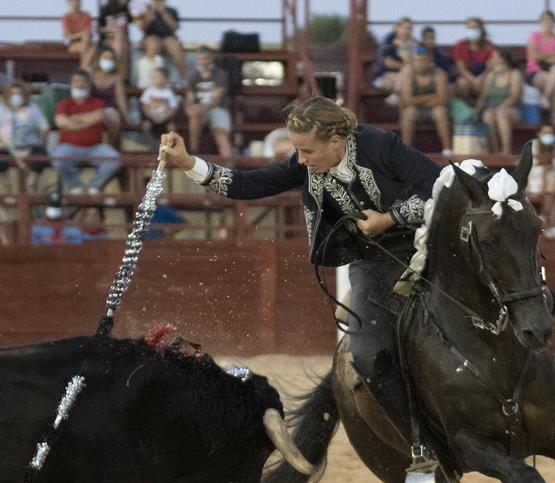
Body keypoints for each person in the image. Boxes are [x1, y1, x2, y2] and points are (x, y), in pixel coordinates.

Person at [159, 96, 441, 449]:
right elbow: (247, 185)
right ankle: (421, 444)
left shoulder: (381, 145)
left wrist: (390, 218)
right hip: (374, 261)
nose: (301, 160)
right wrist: (188, 163)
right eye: (298, 151)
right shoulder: (304, 164)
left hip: (428, 246)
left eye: (307, 151)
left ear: (336, 142)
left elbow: (440, 187)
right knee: (368, 356)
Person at [53, 70, 123, 194]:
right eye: (76, 81)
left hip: (95, 147)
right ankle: (76, 186)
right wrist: (87, 120)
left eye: (83, 82)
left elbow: (98, 117)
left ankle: (94, 187)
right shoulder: (64, 104)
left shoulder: (97, 102)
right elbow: (61, 123)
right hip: (69, 147)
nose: (80, 84)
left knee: (114, 160)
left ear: (89, 85)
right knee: (58, 158)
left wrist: (74, 120)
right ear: (71, 84)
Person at [0, 81, 50, 194]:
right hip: (6, 146)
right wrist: (5, 145)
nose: (16, 96)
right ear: (7, 95)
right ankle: (7, 187)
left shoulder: (32, 108)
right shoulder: (0, 109)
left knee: (41, 153)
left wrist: (40, 141)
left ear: (25, 95)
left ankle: (31, 182)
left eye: (19, 93)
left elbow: (44, 126)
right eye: (13, 93)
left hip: (30, 145)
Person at [398, 47, 452, 156]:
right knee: (409, 112)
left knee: (440, 111)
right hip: (415, 110)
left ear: (429, 61)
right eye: (416, 60)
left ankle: (447, 149)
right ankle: (405, 149)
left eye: (423, 60)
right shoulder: (408, 74)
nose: (419, 63)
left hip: (433, 109)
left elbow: (442, 99)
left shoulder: (439, 74)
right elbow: (407, 100)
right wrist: (431, 97)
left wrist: (417, 100)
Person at [185, 47, 233, 157]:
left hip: (218, 108)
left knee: (221, 134)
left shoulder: (220, 74)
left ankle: (228, 164)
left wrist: (197, 109)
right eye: (201, 59)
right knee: (194, 115)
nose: (203, 61)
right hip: (199, 111)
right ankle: (194, 152)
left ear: (211, 59)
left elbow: (215, 100)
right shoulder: (192, 76)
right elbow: (190, 98)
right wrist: (190, 108)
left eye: (206, 58)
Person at [476, 49, 523, 156]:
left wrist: (501, 107)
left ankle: (506, 149)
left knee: (500, 114)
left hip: (512, 110)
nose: (491, 60)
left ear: (502, 59)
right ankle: (494, 150)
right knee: (488, 115)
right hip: (492, 109)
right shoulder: (492, 74)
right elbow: (483, 95)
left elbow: (514, 95)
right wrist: (477, 111)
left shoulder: (515, 73)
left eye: (494, 57)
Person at [526, 10, 555, 125]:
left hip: (552, 72)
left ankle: (545, 97)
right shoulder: (534, 36)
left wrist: (543, 56)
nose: (547, 23)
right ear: (540, 22)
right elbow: (534, 55)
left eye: (550, 21)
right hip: (535, 72)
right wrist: (552, 54)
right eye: (544, 21)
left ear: (554, 23)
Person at [528, 124, 555, 237]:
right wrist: (544, 169)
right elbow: (530, 167)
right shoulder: (532, 145)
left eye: (551, 133)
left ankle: (546, 220)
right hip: (533, 182)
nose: (548, 135)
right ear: (539, 134)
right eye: (545, 133)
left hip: (550, 181)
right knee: (554, 186)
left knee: (554, 183)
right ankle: (549, 224)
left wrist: (547, 171)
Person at [87, 47, 129, 146]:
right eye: (105, 57)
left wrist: (125, 115)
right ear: (99, 59)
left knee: (113, 118)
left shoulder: (116, 78)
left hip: (109, 109)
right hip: (91, 108)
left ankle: (108, 145)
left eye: (110, 58)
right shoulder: (91, 74)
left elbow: (120, 98)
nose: (107, 60)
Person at [135, 0, 187, 79]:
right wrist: (150, 13)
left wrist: (164, 13)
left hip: (168, 37)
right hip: (150, 37)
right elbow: (142, 27)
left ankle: (185, 78)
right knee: (153, 43)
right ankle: (149, 78)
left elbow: (175, 27)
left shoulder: (172, 10)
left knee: (174, 45)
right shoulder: (145, 10)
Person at [371, 17, 417, 101]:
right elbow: (388, 63)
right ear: (397, 28)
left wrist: (403, 47)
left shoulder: (414, 43)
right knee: (406, 81)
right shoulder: (387, 43)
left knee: (407, 82)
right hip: (384, 76)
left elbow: (416, 62)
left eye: (410, 29)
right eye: (406, 28)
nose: (408, 31)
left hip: (408, 76)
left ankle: (396, 96)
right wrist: (406, 65)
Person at [452, 17, 494, 101]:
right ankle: (468, 105)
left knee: (487, 83)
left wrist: (480, 78)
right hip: (467, 76)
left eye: (474, 28)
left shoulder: (489, 45)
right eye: (469, 28)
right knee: (462, 83)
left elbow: (490, 67)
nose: (471, 30)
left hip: (484, 76)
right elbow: (461, 68)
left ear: (481, 30)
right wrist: (474, 81)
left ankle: (482, 107)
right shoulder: (460, 45)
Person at [140, 68, 180, 150]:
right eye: (155, 77)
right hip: (152, 116)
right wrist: (152, 116)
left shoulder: (169, 92)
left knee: (171, 127)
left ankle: (170, 147)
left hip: (166, 117)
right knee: (146, 126)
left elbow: (174, 108)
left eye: (160, 77)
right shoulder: (149, 91)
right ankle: (149, 147)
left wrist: (164, 117)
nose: (157, 79)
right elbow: (145, 107)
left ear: (166, 78)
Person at [96, 0, 133, 77]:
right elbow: (98, 29)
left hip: (123, 40)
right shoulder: (105, 9)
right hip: (108, 39)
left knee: (124, 44)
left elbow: (135, 27)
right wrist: (113, 30)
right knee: (120, 39)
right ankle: (120, 75)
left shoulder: (128, 9)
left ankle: (120, 76)